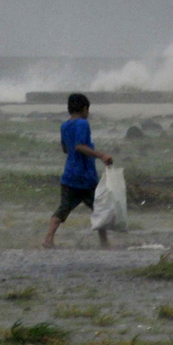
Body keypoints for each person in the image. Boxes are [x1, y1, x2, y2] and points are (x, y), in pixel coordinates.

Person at [42, 93, 113, 249]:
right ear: (84, 108)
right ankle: (105, 243)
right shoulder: (83, 124)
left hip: (69, 176)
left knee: (63, 208)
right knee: (99, 209)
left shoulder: (65, 126)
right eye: (88, 109)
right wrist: (101, 155)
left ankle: (48, 239)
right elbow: (79, 146)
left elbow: (65, 149)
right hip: (85, 177)